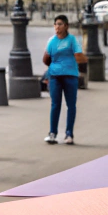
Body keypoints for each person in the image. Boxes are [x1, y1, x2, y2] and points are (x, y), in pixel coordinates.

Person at [42, 14, 85, 144]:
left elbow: (79, 55)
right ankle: (52, 133)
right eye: (55, 24)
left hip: (70, 76)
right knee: (55, 104)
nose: (57, 27)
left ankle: (69, 134)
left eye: (60, 24)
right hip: (55, 76)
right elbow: (46, 58)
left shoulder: (72, 40)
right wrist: (55, 67)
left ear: (66, 26)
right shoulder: (51, 41)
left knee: (71, 105)